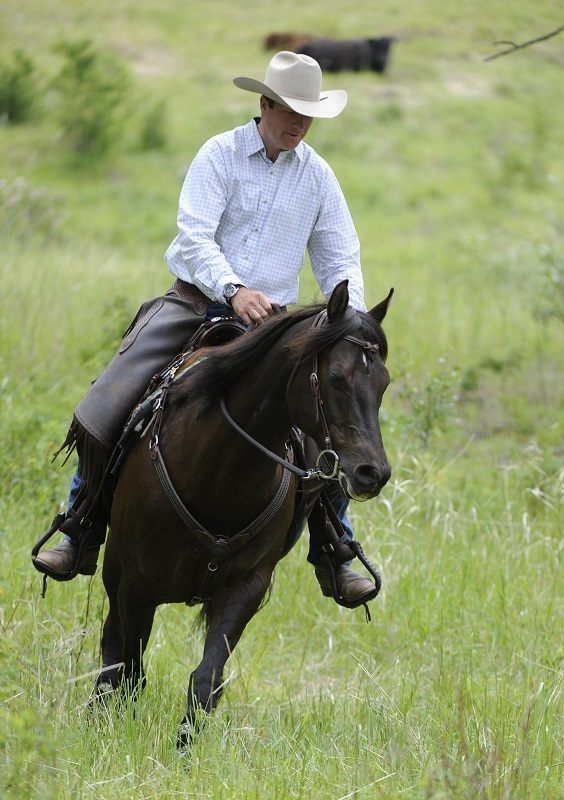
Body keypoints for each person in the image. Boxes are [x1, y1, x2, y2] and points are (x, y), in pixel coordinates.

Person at [32, 51, 376, 604]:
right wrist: (233, 289)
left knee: (329, 418)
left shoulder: (318, 177)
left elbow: (340, 259)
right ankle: (81, 523)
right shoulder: (219, 154)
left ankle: (334, 547)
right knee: (113, 395)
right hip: (196, 303)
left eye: (309, 114)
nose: (299, 123)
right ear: (263, 103)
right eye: (289, 109)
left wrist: (346, 319)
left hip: (273, 325)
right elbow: (194, 235)